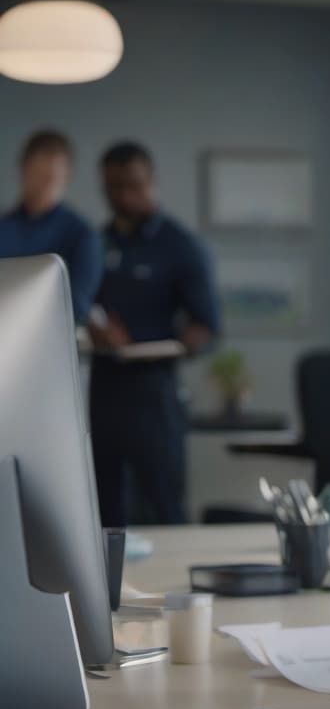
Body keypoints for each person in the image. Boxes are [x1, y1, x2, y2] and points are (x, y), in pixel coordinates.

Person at [89, 141, 221, 527]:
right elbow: (80, 305)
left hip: (155, 394)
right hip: (105, 388)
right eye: (114, 187)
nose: (124, 196)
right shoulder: (96, 243)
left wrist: (186, 342)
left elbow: (208, 326)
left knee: (163, 506)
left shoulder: (180, 246)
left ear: (151, 181)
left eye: (133, 185)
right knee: (104, 507)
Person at [0, 129, 102, 323]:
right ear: (22, 170)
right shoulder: (3, 227)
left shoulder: (82, 236)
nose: (41, 187)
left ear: (67, 176)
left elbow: (76, 307)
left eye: (50, 178)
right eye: (36, 175)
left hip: (50, 338)